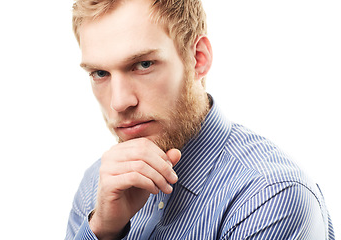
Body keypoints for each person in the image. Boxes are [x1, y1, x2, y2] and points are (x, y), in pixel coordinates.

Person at [66, 0, 334, 239]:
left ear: (198, 59)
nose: (119, 102)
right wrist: (101, 230)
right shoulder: (97, 186)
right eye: (100, 73)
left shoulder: (270, 196)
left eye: (144, 64)